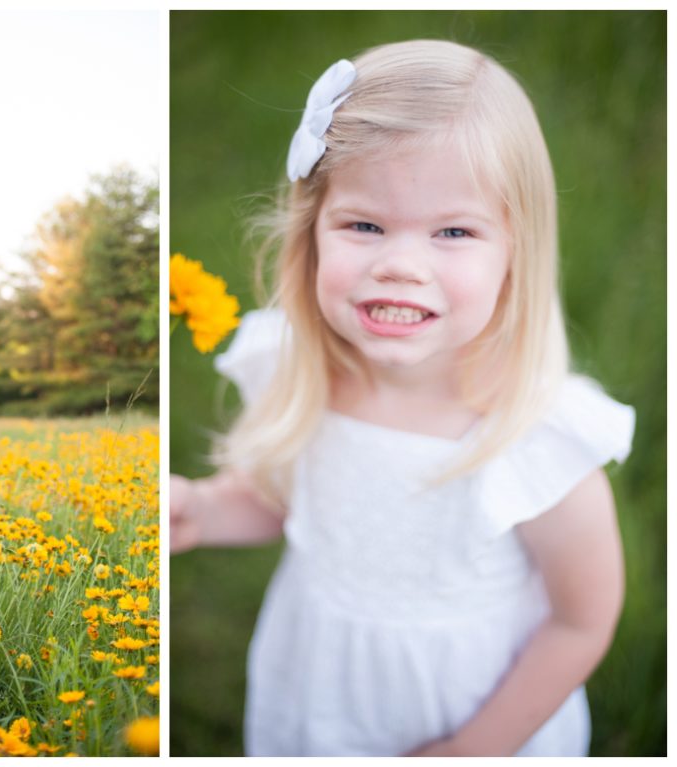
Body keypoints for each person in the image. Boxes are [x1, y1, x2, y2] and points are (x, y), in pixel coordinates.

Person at [170, 39, 635, 757]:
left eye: (453, 231)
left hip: (472, 710)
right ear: (312, 233)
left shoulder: (536, 439)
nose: (400, 265)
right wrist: (199, 511)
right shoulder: (300, 370)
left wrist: (472, 748)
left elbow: (581, 621)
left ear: (517, 249)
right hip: (320, 686)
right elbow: (289, 500)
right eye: (364, 225)